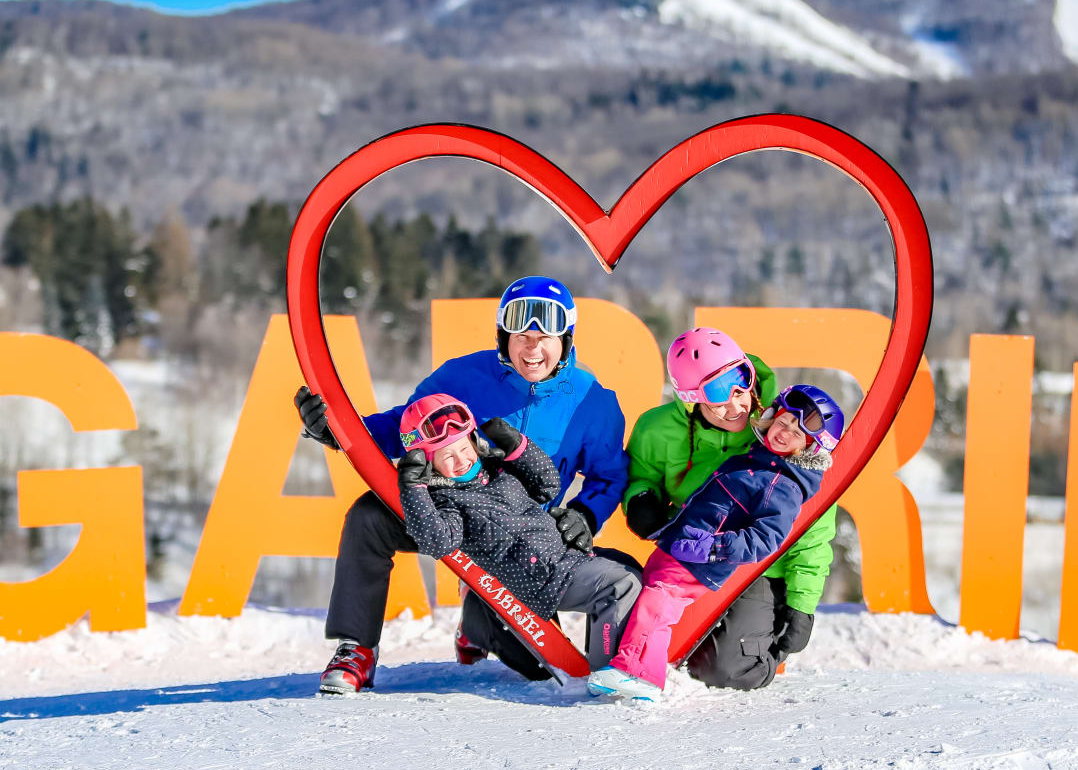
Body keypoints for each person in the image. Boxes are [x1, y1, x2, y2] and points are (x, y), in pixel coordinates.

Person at [295, 276, 630, 693]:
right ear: (503, 337)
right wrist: (338, 432)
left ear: (565, 340)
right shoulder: (462, 377)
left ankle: (477, 623)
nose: (532, 350)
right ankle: (357, 648)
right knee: (369, 517)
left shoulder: (592, 402)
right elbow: (402, 427)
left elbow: (609, 475)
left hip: (518, 543)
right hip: (443, 517)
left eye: (544, 338)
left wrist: (585, 513)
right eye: (521, 337)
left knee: (540, 667)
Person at [589, 384, 841, 702]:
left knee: (658, 602)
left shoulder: (783, 486)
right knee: (649, 596)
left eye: (797, 433)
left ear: (811, 447)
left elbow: (767, 538)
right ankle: (629, 665)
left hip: (702, 557)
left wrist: (714, 548)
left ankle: (639, 673)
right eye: (782, 422)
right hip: (683, 546)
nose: (783, 433)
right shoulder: (760, 459)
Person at [394, 395, 640, 677]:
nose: (461, 460)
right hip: (539, 578)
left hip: (560, 558)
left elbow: (547, 486)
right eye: (447, 456)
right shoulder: (447, 500)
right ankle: (607, 671)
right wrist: (413, 489)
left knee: (628, 565)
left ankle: (618, 653)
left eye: (464, 447)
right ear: (427, 463)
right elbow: (437, 542)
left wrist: (516, 446)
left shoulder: (498, 470)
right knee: (618, 584)